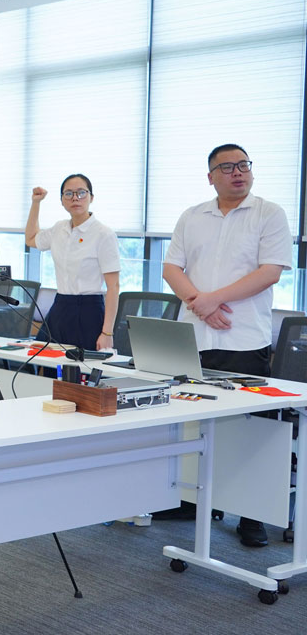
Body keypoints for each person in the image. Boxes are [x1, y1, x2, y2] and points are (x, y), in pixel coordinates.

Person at [163, 143, 292, 548]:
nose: (238, 172)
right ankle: (193, 500)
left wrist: (212, 300)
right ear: (211, 177)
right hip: (196, 338)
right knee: (193, 421)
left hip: (243, 338)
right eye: (227, 167)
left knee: (254, 430)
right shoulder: (192, 216)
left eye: (243, 165)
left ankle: (253, 515)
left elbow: (270, 272)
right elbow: (171, 268)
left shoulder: (269, 213)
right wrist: (200, 305)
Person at [25, 174, 120, 351]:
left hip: (89, 309)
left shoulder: (104, 234)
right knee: (43, 359)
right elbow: (31, 239)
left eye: (81, 192)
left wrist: (107, 332)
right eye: (68, 193)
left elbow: (113, 287)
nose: (75, 198)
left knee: (82, 365)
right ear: (62, 200)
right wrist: (36, 203)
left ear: (91, 197)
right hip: (61, 305)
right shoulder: (59, 228)